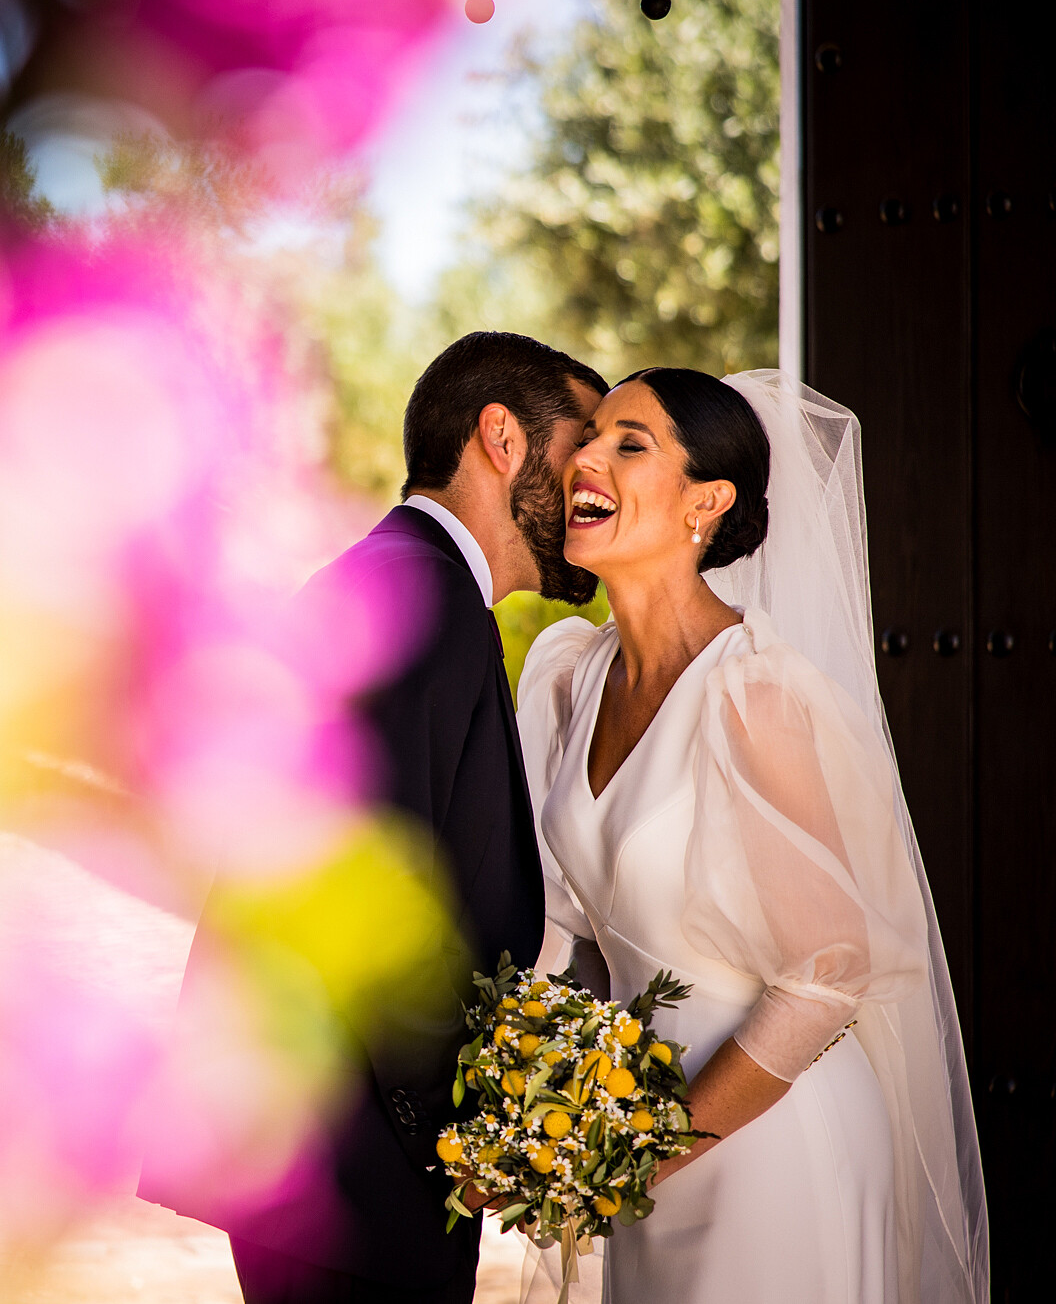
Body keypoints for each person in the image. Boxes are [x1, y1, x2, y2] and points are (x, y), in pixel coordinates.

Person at [142, 331, 608, 1304]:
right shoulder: (421, 599)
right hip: (350, 1171)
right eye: (581, 444)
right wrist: (466, 1130)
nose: (591, 479)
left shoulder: (410, 584)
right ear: (501, 438)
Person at [517, 368, 988, 1303]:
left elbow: (828, 971)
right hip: (637, 1144)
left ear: (708, 502)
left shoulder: (753, 692)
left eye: (630, 442)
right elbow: (572, 939)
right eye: (591, 435)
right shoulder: (572, 676)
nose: (586, 458)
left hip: (767, 1144)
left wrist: (642, 1157)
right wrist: (536, 1109)